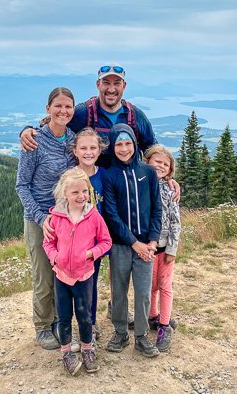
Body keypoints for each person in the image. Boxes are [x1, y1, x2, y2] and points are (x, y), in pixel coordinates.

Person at [15, 87, 76, 350]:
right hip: (38, 219)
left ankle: (57, 322)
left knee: (61, 274)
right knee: (43, 277)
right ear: (48, 109)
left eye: (68, 107)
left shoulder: (73, 140)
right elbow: (21, 186)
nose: (63, 111)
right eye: (58, 106)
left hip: (65, 220)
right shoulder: (35, 142)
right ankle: (42, 326)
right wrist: (41, 218)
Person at [43, 167, 112, 375]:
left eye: (84, 191)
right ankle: (66, 353)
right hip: (62, 276)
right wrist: (55, 257)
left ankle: (87, 349)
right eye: (75, 192)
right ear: (65, 194)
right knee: (64, 316)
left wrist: (91, 254)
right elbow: (48, 243)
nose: (81, 196)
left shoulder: (94, 216)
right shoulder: (56, 217)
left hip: (84, 276)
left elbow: (106, 241)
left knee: (84, 315)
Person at [20, 65, 156, 168]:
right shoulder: (84, 112)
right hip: (93, 188)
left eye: (117, 83)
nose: (111, 89)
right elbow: (55, 123)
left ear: (124, 86)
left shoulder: (136, 116)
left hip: (127, 187)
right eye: (106, 83)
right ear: (98, 85)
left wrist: (166, 178)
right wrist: (27, 130)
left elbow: (152, 150)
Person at [102, 123, 162, 358]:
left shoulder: (148, 172)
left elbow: (157, 208)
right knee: (118, 291)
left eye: (128, 143)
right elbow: (111, 215)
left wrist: (153, 242)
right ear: (113, 147)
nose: (124, 148)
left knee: (144, 292)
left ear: (135, 145)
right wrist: (133, 243)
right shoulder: (109, 175)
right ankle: (120, 331)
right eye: (119, 144)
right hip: (120, 245)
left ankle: (141, 336)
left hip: (147, 246)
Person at [71, 127, 108, 343]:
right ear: (75, 151)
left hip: (95, 246)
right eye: (83, 148)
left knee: (91, 284)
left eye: (93, 147)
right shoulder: (69, 177)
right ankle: (72, 325)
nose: (88, 152)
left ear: (100, 150)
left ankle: (90, 325)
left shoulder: (104, 176)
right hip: (74, 245)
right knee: (71, 286)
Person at [144, 145, 181, 352]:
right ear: (147, 161)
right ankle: (152, 316)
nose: (161, 166)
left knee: (165, 285)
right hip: (148, 247)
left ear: (170, 170)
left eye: (166, 164)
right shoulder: (142, 185)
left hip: (165, 247)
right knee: (151, 285)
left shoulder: (170, 190)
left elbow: (176, 222)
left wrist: (173, 248)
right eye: (157, 161)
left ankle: (164, 326)